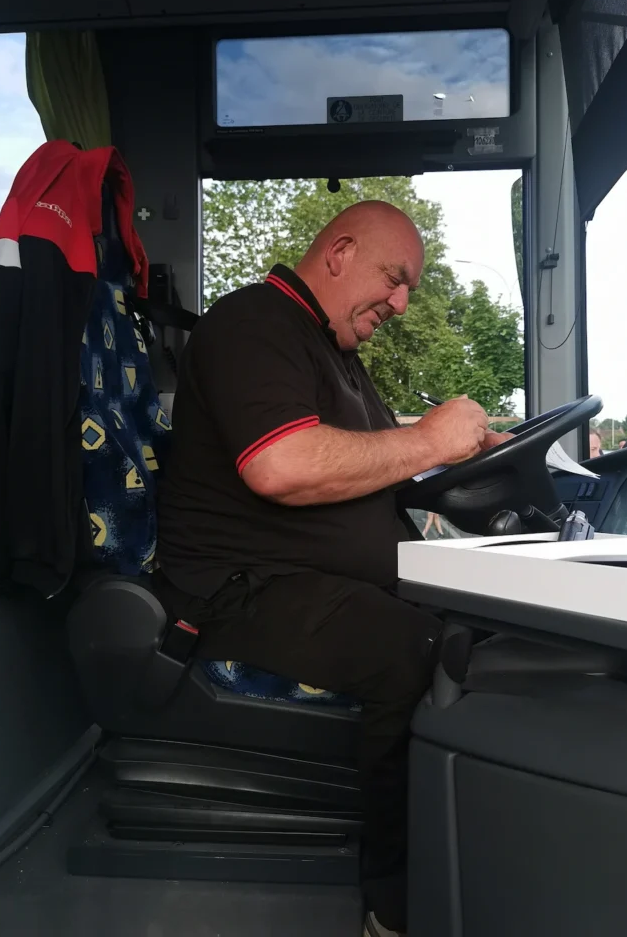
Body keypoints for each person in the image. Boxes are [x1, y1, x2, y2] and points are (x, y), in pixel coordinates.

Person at [157, 200, 507, 937]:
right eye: (396, 277)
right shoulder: (251, 324)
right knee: (413, 650)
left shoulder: (335, 353)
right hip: (240, 591)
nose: (403, 303)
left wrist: (469, 450)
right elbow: (279, 464)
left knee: (482, 624)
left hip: (311, 578)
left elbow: (381, 459)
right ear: (341, 252)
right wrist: (429, 441)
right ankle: (394, 896)